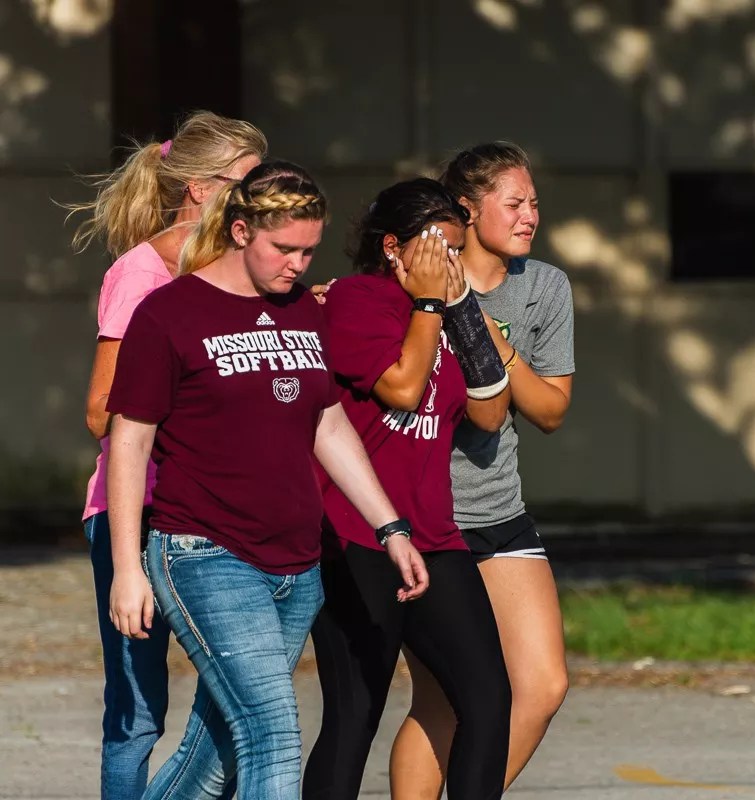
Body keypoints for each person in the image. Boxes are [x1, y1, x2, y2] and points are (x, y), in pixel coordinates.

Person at [105, 160, 430, 800]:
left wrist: (390, 527)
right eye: (284, 248)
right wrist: (126, 567)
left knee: (218, 750)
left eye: (309, 251)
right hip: (204, 555)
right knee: (273, 736)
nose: (297, 265)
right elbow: (129, 442)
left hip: (296, 566)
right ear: (240, 229)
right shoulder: (170, 314)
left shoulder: (303, 312)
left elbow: (328, 424)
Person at [67, 109, 266, 800]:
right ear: (202, 189)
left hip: (216, 512)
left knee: (242, 698)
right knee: (138, 713)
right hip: (137, 510)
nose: (262, 196)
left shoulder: (244, 274)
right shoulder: (138, 273)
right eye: (249, 182)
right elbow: (101, 408)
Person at [302, 178, 512, 800]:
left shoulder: (446, 313)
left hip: (435, 534)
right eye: (436, 248)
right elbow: (400, 388)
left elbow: (489, 412)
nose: (449, 264)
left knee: (489, 698)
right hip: (354, 535)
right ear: (392, 247)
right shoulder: (355, 300)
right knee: (355, 714)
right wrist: (425, 307)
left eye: (457, 250)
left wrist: (458, 306)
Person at [391, 142, 575, 798]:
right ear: (466, 211)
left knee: (543, 685)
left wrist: (491, 338)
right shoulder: (414, 280)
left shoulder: (545, 287)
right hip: (427, 521)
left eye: (535, 204)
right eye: (515, 203)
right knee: (442, 701)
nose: (530, 217)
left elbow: (551, 410)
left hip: (499, 511)